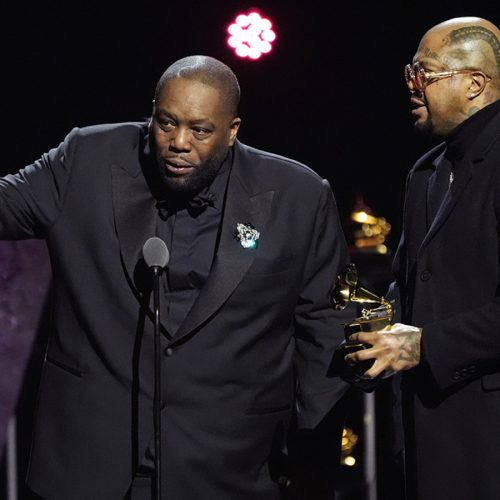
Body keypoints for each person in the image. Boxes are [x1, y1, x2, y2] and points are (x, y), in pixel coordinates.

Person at [0, 55, 352, 500]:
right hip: (88, 463)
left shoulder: (298, 196)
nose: (179, 142)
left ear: (233, 129)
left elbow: (325, 329)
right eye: (166, 123)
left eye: (200, 130)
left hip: (231, 466)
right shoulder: (86, 157)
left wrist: (313, 463)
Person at [345, 16, 500, 500]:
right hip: (421, 433)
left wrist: (425, 346)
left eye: (423, 73)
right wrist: (360, 320)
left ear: (475, 83)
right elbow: (407, 288)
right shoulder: (425, 172)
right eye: (408, 72)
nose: (410, 86)